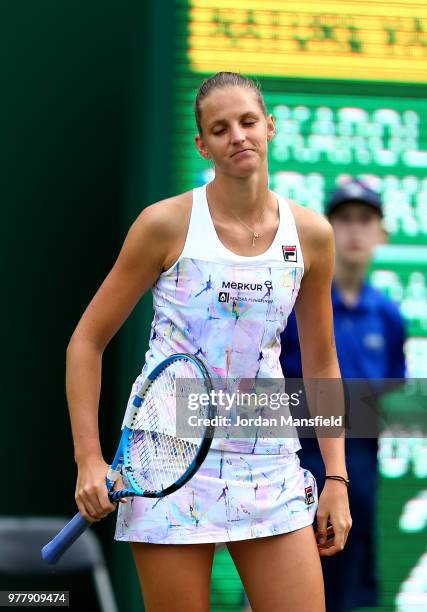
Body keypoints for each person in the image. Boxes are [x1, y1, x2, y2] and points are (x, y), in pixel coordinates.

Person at [66, 71, 352, 612]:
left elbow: (321, 361)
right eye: (219, 129)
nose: (237, 136)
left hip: (267, 460)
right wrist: (87, 458)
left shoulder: (312, 233)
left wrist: (335, 477)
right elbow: (86, 341)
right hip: (165, 458)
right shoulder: (163, 224)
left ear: (269, 126)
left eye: (248, 121)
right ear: (202, 144)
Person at [280, 178, 406, 611]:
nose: (355, 231)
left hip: (360, 479)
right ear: (327, 228)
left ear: (381, 231)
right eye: (344, 219)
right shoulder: (296, 302)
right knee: (279, 592)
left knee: (349, 597)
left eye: (365, 220)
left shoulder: (389, 317)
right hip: (294, 474)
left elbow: (390, 401)